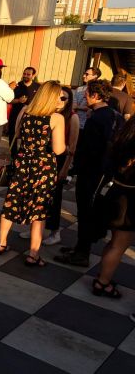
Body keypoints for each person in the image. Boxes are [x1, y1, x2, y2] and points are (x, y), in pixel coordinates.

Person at [0, 81, 66, 266]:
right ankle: (33, 254)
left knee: (11, 202)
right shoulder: (56, 118)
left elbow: (17, 135)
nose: (61, 99)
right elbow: (58, 150)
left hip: (23, 162)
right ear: (52, 97)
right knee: (39, 209)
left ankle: (2, 243)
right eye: (59, 96)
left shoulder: (25, 111)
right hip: (43, 167)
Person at [56, 80, 117, 267]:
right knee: (85, 211)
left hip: (92, 172)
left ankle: (82, 254)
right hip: (98, 171)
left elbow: (92, 148)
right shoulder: (110, 114)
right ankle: (79, 248)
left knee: (86, 212)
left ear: (96, 96)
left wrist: (74, 168)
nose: (84, 96)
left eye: (87, 93)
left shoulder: (98, 118)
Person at [19, 86, 79, 245]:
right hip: (44, 161)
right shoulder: (47, 115)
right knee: (36, 196)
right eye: (58, 97)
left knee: (54, 199)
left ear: (69, 101)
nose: (60, 101)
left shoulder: (72, 117)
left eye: (64, 98)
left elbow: (72, 147)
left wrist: (65, 169)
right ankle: (34, 228)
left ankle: (55, 231)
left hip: (59, 161)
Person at [90, 117, 135, 298]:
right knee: (119, 245)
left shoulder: (122, 137)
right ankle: (103, 283)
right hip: (129, 198)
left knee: (113, 242)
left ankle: (103, 276)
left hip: (114, 191)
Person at [8, 67, 41, 156]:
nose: (25, 76)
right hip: (15, 115)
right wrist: (18, 100)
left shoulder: (38, 87)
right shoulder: (17, 86)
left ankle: (23, 156)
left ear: (33, 76)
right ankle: (13, 157)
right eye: (24, 74)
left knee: (27, 137)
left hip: (30, 116)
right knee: (13, 136)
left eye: (28, 74)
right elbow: (9, 100)